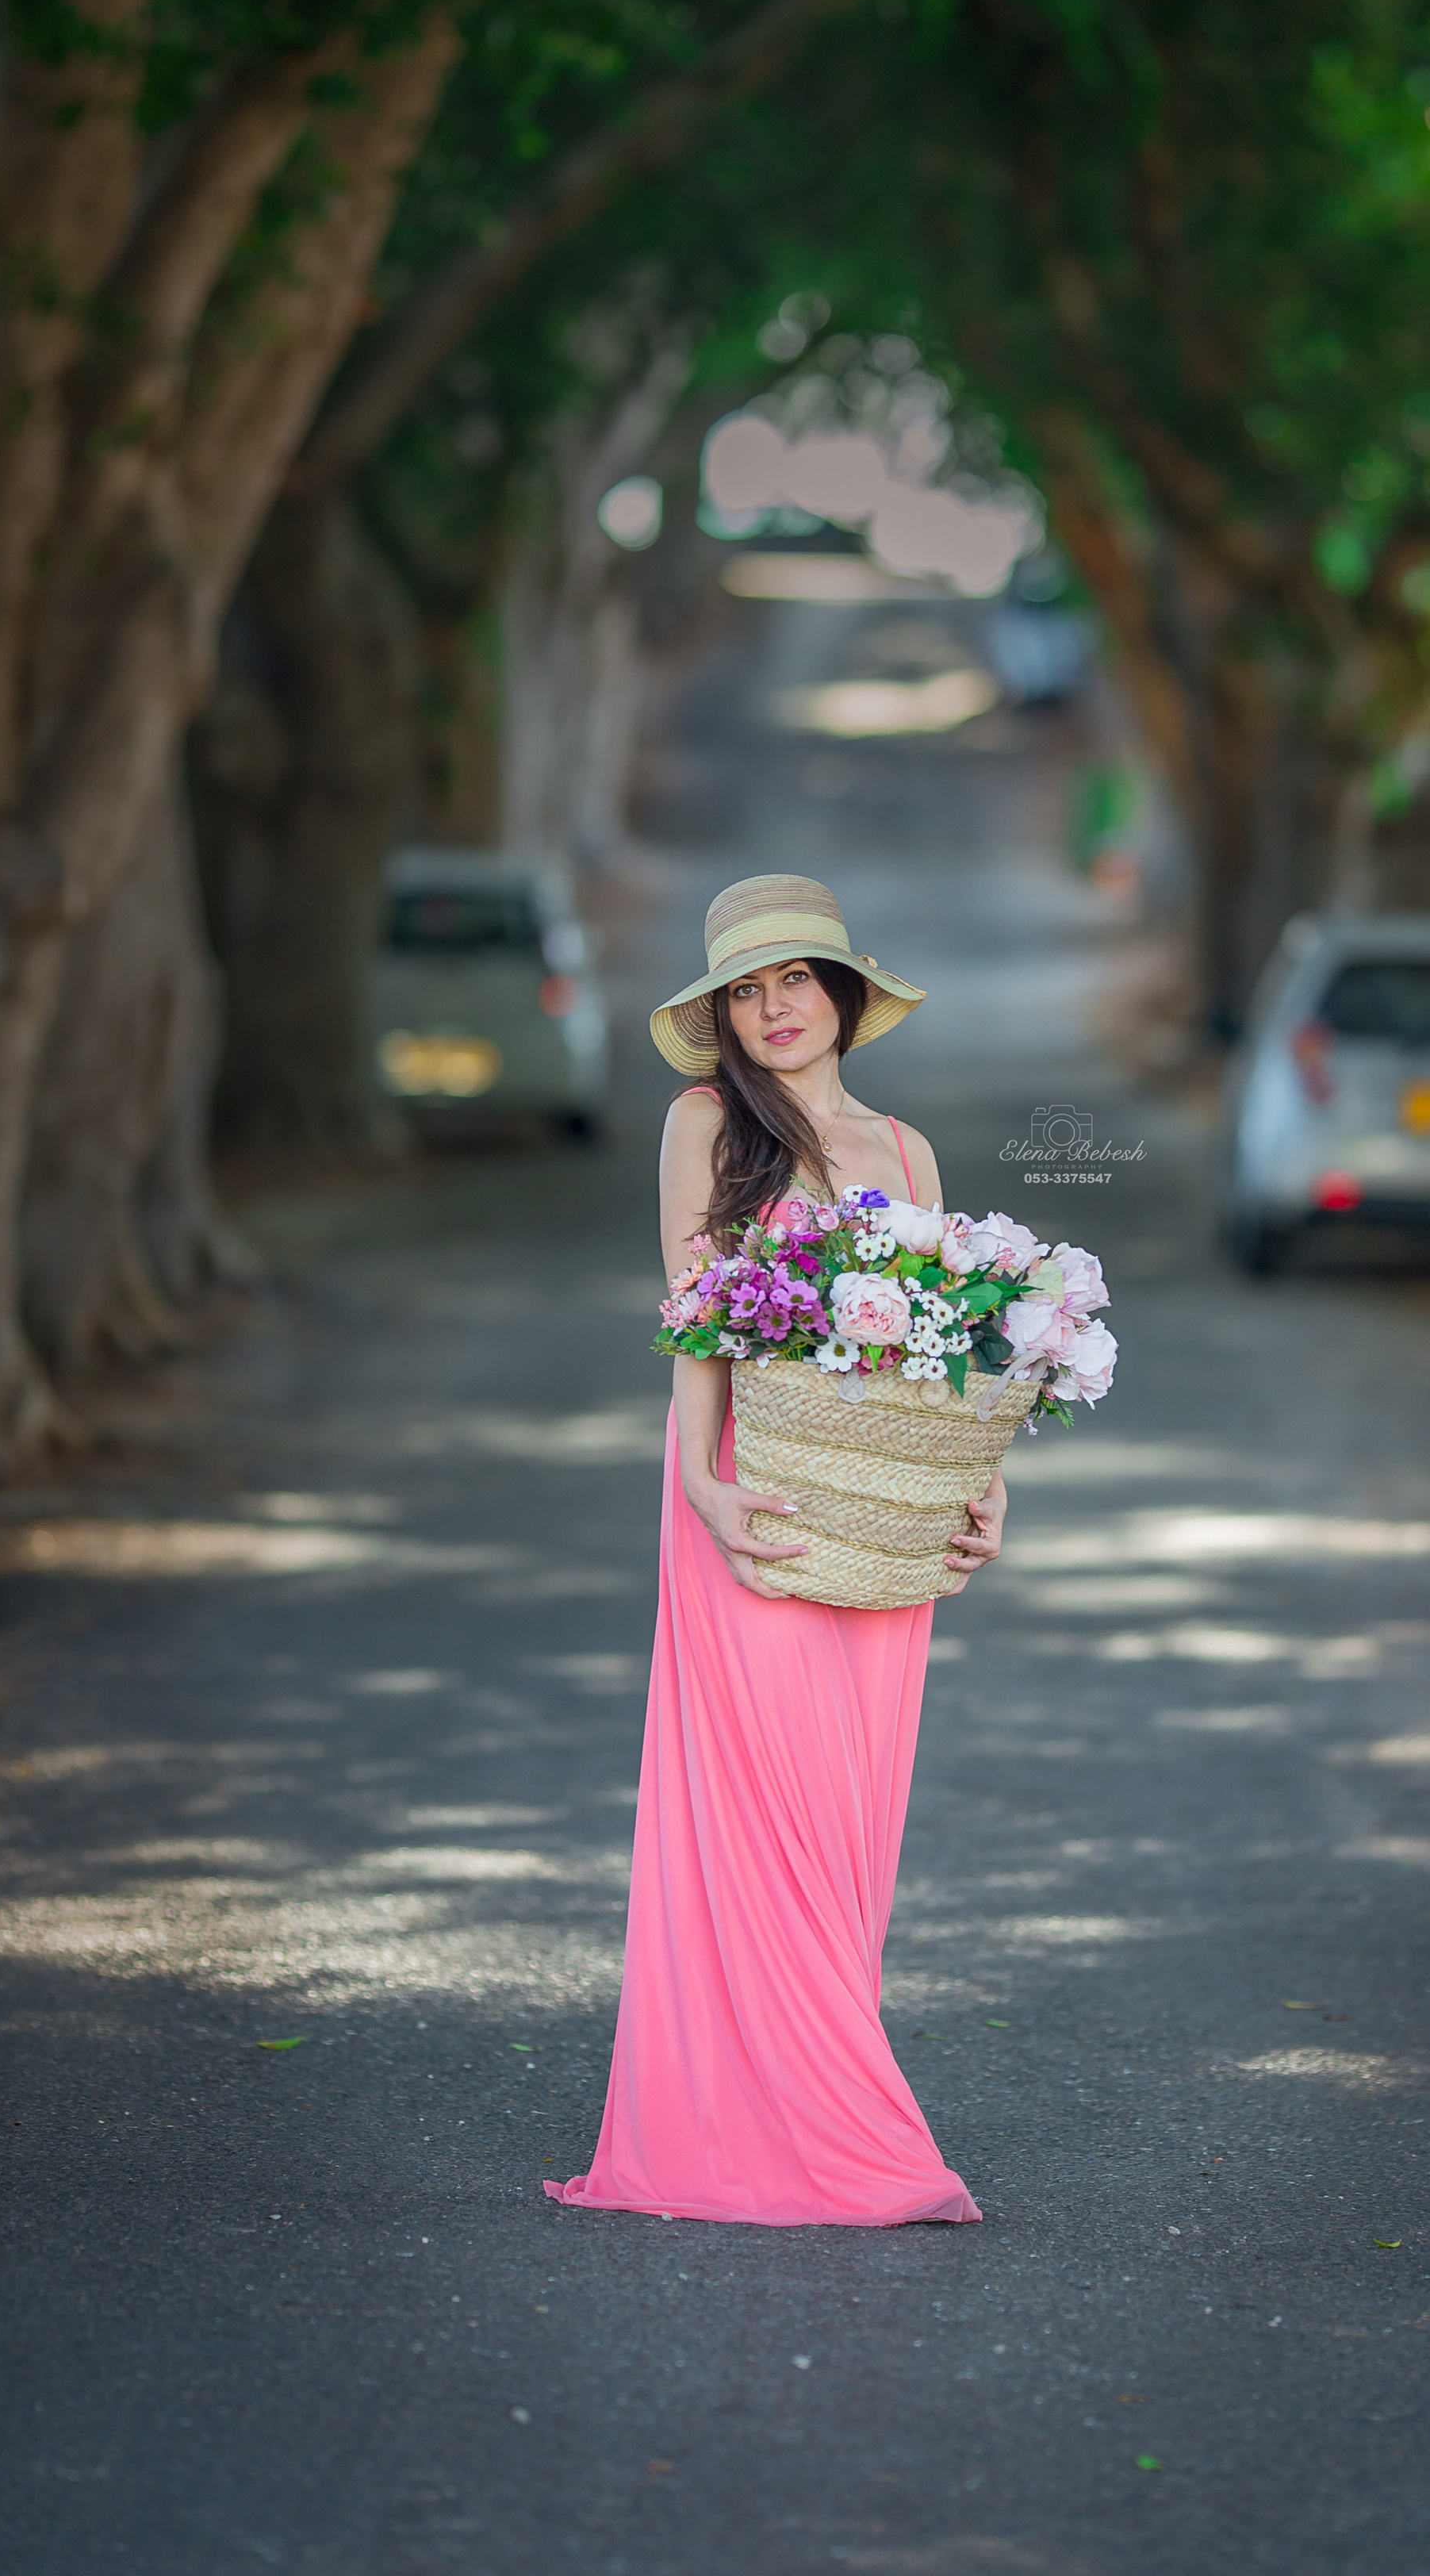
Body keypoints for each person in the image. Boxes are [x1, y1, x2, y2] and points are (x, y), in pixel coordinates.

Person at [544, 875, 1001, 2226]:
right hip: (753, 1493)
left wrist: (981, 1490)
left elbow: (948, 1355)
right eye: (745, 991)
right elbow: (692, 1310)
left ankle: (807, 2099)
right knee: (760, 1805)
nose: (772, 1010)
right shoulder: (705, 1125)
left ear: (842, 991)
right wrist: (698, 1478)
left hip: (884, 1517)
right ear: (721, 1019)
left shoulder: (909, 1156)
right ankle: (804, 2132)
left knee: (849, 1814)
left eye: (792, 979)